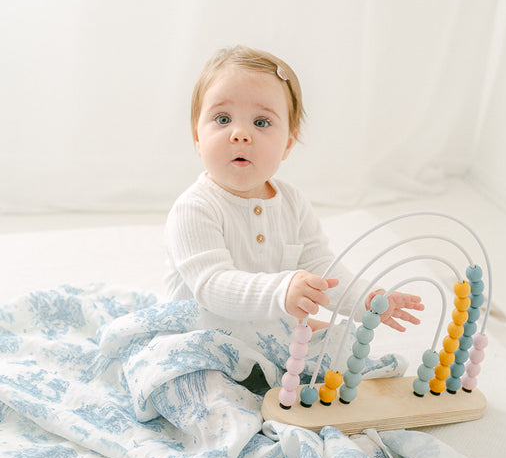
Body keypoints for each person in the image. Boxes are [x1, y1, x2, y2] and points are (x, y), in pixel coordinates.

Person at [164, 45, 424, 349]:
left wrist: (364, 298)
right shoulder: (194, 208)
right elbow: (212, 285)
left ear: (288, 144)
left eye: (261, 122)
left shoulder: (292, 203)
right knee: (198, 377)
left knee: (342, 345)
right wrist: (282, 290)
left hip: (268, 328)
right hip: (200, 335)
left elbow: (320, 267)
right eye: (223, 119)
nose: (240, 134)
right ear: (198, 137)